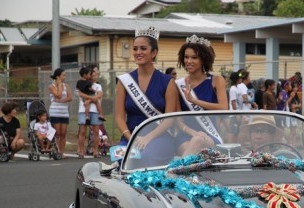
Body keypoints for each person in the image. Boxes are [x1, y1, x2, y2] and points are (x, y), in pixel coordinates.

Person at [115, 26, 178, 165]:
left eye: (143, 48)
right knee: (120, 158)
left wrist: (148, 137)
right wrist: (130, 137)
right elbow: (119, 117)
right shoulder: (124, 81)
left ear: (154, 52)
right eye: (135, 48)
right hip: (130, 136)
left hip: (159, 136)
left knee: (145, 157)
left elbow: (169, 119)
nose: (138, 52)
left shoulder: (167, 82)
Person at [175, 34, 228, 156]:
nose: (189, 61)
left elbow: (224, 108)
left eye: (194, 57)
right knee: (194, 148)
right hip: (186, 134)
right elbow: (177, 119)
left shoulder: (216, 80)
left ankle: (174, 173)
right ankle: (180, 172)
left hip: (209, 134)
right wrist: (193, 132)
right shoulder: (178, 84)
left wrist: (194, 101)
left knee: (198, 142)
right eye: (186, 57)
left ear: (203, 59)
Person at [77, 65, 103, 158]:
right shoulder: (82, 84)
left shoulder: (98, 85)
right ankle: (81, 151)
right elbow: (80, 94)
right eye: (92, 74)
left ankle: (95, 151)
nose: (94, 76)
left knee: (96, 131)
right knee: (82, 132)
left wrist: (89, 100)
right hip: (83, 110)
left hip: (95, 111)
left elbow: (99, 95)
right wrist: (92, 98)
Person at [48, 68, 72, 159]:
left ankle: (62, 152)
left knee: (63, 133)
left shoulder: (66, 85)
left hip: (64, 112)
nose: (65, 77)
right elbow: (58, 94)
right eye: (63, 75)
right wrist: (59, 85)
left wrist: (61, 101)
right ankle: (57, 151)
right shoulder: (51, 86)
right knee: (57, 133)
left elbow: (69, 97)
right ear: (58, 76)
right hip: (55, 111)